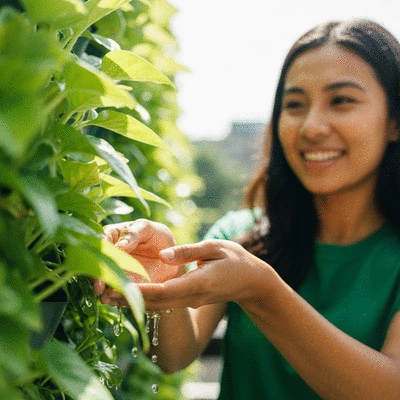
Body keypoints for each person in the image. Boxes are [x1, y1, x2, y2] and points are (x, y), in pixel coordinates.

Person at [94, 19, 400, 399]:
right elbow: (172, 356)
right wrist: (161, 274)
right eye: (294, 105)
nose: (311, 126)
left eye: (341, 101)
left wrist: (263, 293)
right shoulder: (239, 236)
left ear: (395, 121)